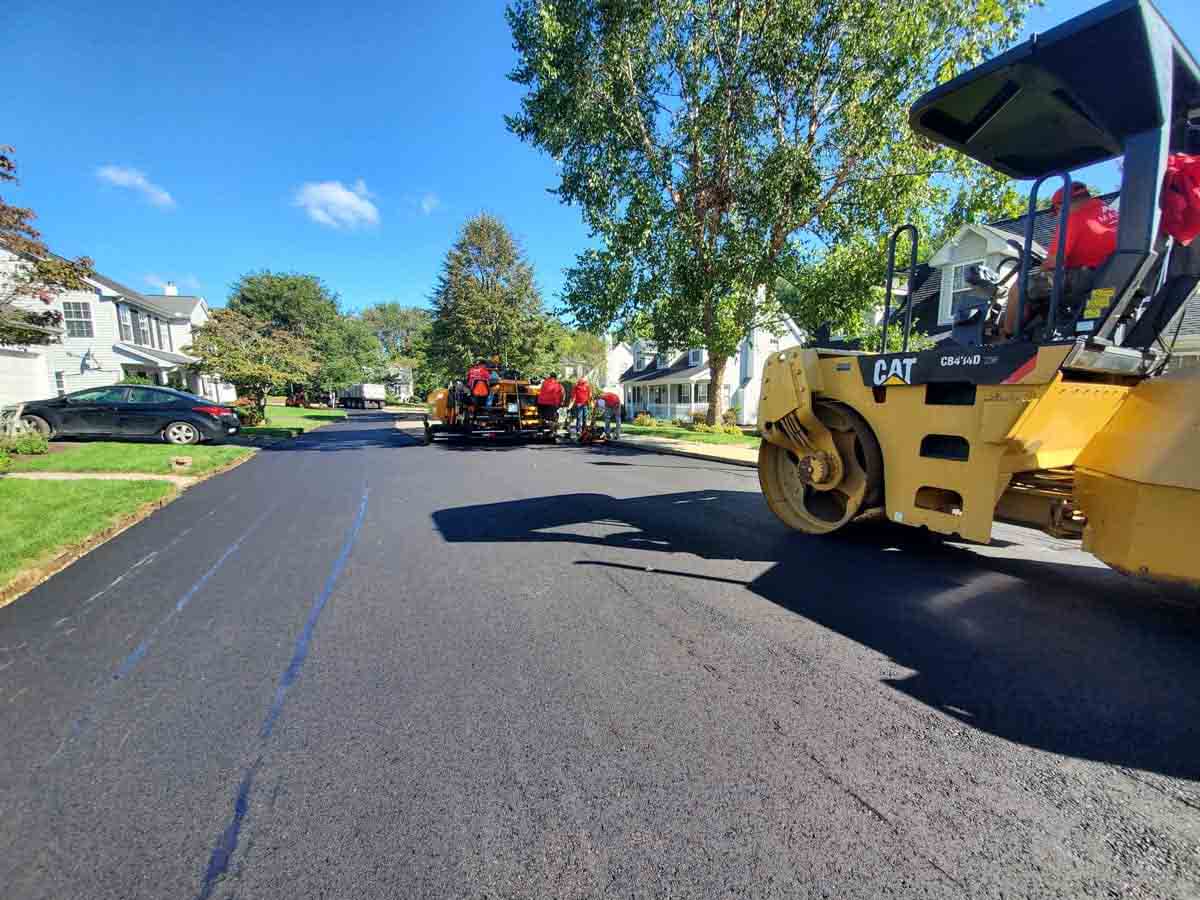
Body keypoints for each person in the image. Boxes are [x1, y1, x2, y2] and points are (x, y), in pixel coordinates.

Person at [1003, 182, 1118, 338]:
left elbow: (1052, 263)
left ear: (1063, 205)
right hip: (1108, 275)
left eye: (1056, 211)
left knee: (1020, 286)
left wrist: (1043, 266)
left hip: (1085, 278)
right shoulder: (1110, 211)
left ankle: (1007, 337)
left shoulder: (1072, 218)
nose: (1057, 217)